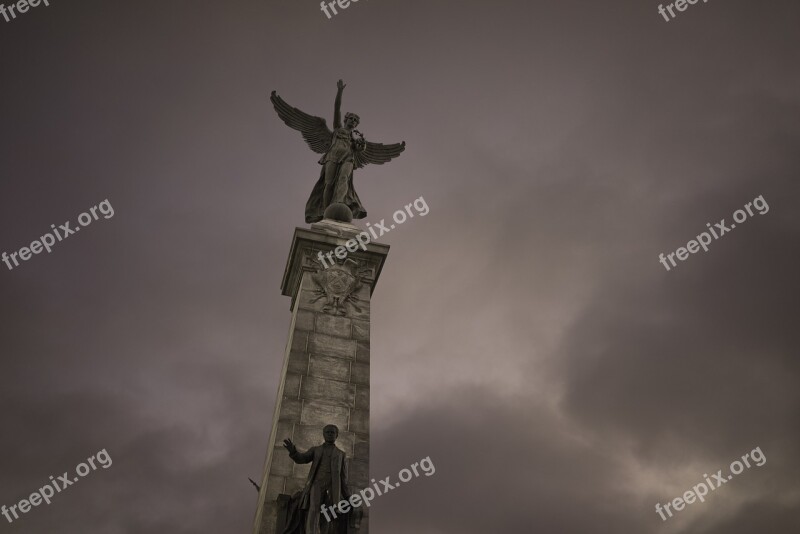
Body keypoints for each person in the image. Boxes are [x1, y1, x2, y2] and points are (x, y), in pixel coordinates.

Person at [283, 425, 350, 534]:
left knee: (329, 512)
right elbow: (302, 459)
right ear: (323, 434)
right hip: (317, 484)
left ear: (337, 435)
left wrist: (348, 496)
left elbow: (343, 477)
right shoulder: (316, 450)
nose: (330, 434)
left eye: (332, 432)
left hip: (333, 487)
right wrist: (294, 452)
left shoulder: (341, 454)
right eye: (327, 432)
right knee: (314, 509)